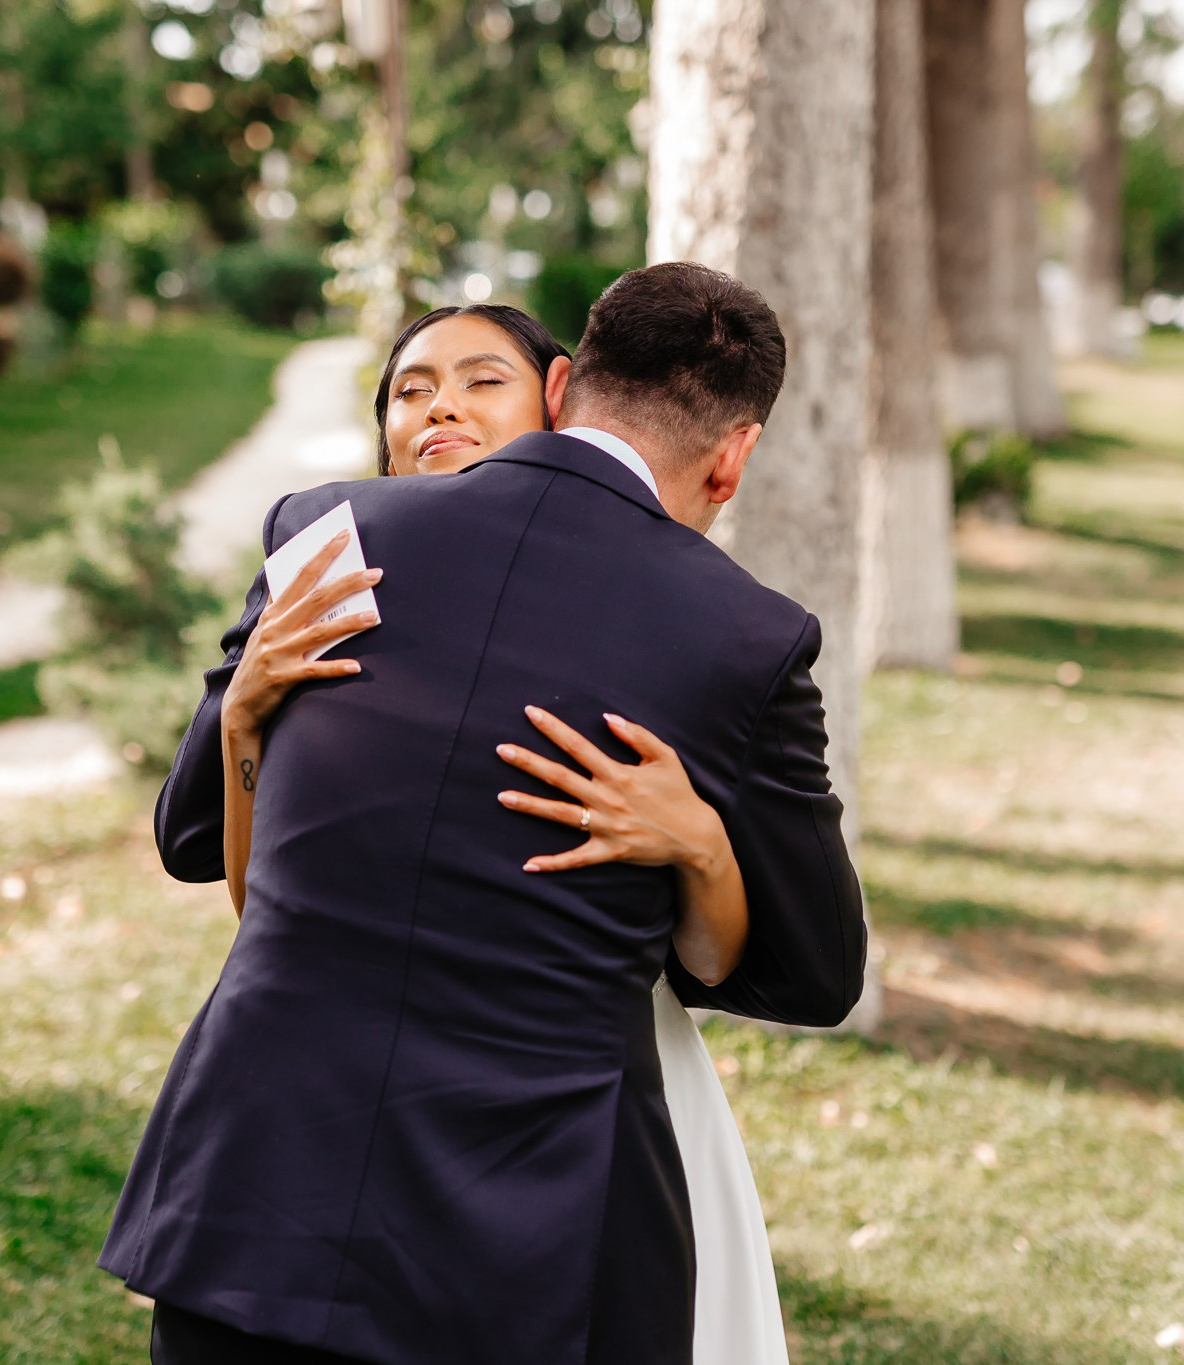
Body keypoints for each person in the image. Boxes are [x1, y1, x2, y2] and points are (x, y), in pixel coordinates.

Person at [102, 263, 866, 1365]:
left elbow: (205, 847)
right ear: (734, 456)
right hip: (530, 1234)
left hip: (258, 1182)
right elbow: (815, 973)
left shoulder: (325, 529)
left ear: (562, 390)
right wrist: (698, 841)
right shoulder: (745, 637)